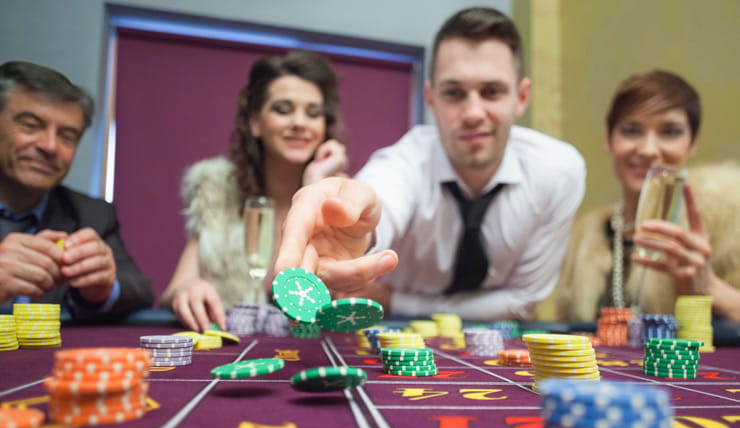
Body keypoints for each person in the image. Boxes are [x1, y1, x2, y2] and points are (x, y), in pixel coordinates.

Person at [273, 7, 586, 321]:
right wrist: (356, 226)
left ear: (521, 97)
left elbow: (522, 301)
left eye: (492, 92)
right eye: (454, 93)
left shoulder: (559, 172)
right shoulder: (405, 162)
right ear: (431, 98)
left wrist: (395, 301)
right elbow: (378, 200)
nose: (474, 113)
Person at [160, 50, 349, 332]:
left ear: (324, 128)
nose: (299, 122)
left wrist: (315, 184)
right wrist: (188, 289)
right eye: (283, 109)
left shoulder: (340, 199)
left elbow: (342, 300)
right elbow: (174, 290)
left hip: (309, 354)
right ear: (255, 123)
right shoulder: (218, 191)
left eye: (313, 113)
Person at [556, 70, 740, 322]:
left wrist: (709, 287)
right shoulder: (584, 234)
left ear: (693, 142)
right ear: (609, 141)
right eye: (631, 131)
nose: (648, 150)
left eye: (670, 131)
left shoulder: (730, 220)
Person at [0, 61, 153, 320]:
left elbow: (137, 288)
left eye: (67, 136)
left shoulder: (91, 214)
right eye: (30, 125)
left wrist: (102, 289)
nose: (50, 146)